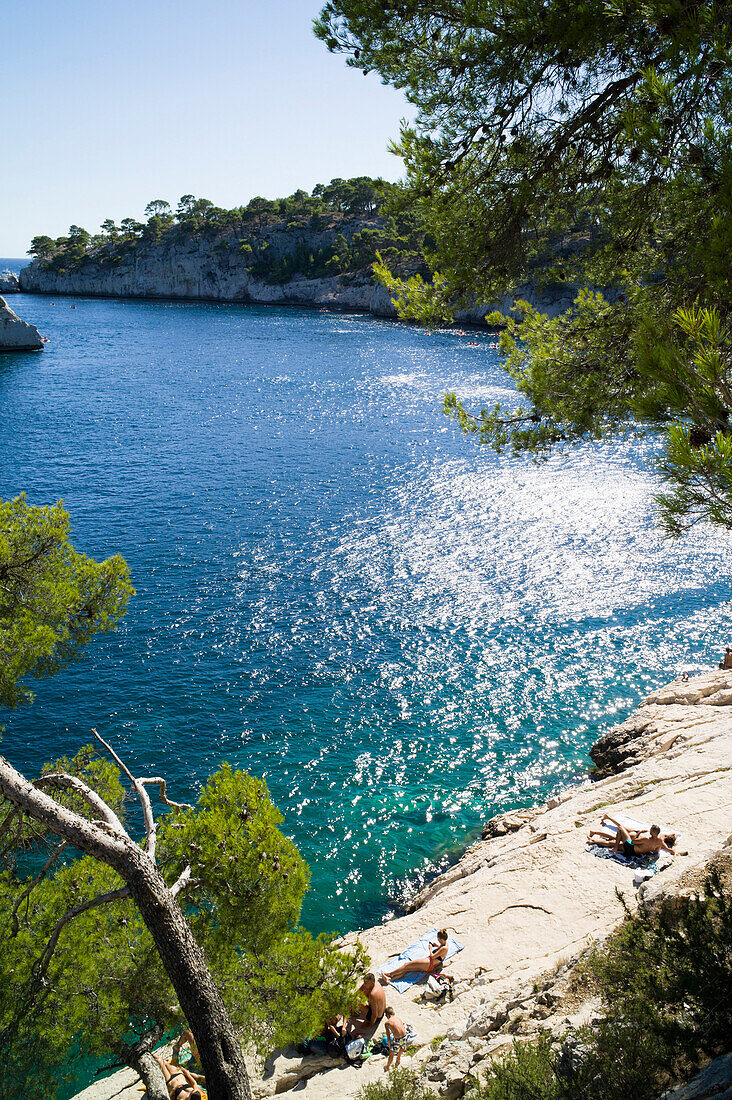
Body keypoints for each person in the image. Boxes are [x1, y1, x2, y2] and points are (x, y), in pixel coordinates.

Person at [381, 930, 449, 985]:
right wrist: (437, 946)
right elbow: (441, 952)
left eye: (438, 939)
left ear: (441, 939)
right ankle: (390, 980)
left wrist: (430, 948)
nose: (438, 940)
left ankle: (389, 974)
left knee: (406, 965)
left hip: (429, 963)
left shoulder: (444, 948)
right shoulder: (445, 944)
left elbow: (433, 956)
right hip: (429, 965)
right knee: (407, 969)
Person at [587, 815, 676, 857]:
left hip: (631, 848)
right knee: (611, 842)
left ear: (652, 832)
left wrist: (638, 833)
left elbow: (632, 841)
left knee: (620, 829)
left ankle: (616, 848)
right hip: (637, 853)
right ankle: (593, 841)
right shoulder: (660, 841)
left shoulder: (645, 838)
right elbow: (657, 852)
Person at [383, 1007, 407, 1072]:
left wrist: (390, 1045)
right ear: (393, 1013)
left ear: (387, 1015)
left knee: (391, 1053)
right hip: (404, 1036)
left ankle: (387, 1066)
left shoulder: (387, 1023)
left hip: (397, 1039)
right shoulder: (398, 1018)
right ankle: (398, 1058)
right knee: (402, 1047)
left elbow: (388, 1036)